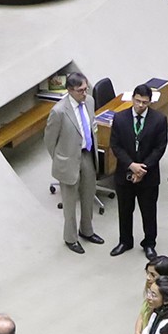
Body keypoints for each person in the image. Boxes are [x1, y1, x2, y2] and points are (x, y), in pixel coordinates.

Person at [46, 72, 105, 254]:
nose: (84, 93)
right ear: (70, 90)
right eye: (80, 90)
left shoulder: (89, 102)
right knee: (70, 204)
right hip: (68, 160)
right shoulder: (59, 111)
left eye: (86, 88)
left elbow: (92, 126)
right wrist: (60, 159)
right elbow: (49, 140)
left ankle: (86, 230)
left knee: (88, 195)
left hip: (87, 155)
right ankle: (70, 238)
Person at [109, 83, 168, 257]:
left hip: (148, 175)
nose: (141, 105)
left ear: (150, 102)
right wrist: (131, 165)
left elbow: (160, 147)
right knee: (125, 210)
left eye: (145, 102)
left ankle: (149, 243)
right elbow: (116, 145)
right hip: (125, 173)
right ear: (132, 99)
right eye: (137, 101)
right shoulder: (120, 118)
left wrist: (143, 168)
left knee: (149, 211)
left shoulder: (159, 120)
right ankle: (125, 241)